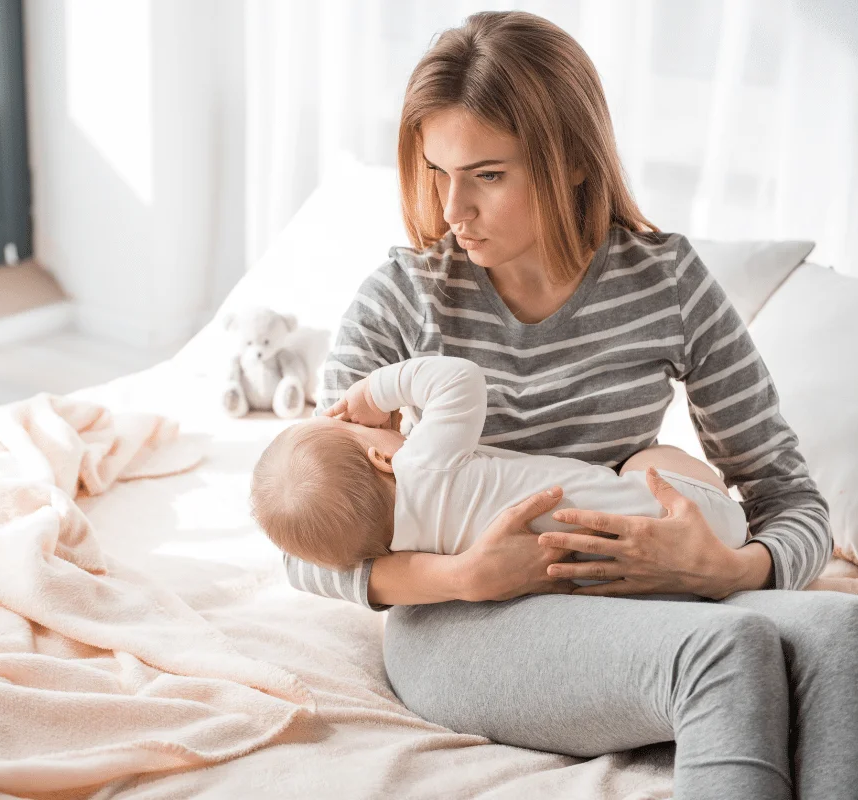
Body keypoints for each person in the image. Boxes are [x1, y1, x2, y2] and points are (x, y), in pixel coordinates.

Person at [280, 10, 856, 799]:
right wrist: (465, 575)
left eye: (487, 174)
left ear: (573, 162)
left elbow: (789, 498)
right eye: (437, 171)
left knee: (843, 635)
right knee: (725, 654)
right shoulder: (402, 297)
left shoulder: (668, 286)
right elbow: (307, 537)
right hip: (460, 622)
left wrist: (729, 565)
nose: (452, 211)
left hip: (630, 597)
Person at [253, 355, 748, 607]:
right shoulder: (424, 461)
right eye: (350, 425)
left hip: (633, 588)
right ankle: (730, 509)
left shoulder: (409, 548)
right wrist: (374, 391)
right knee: (650, 456)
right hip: (704, 527)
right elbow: (458, 379)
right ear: (382, 460)